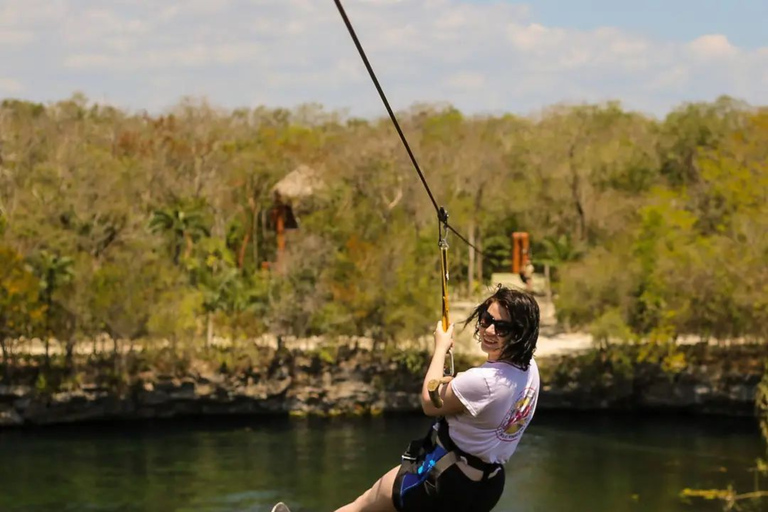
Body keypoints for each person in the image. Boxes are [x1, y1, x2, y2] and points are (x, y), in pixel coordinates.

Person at [334, 286, 541, 512]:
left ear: (519, 334)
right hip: (488, 485)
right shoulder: (529, 368)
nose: (490, 330)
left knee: (363, 505)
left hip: (446, 478)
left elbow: (429, 402)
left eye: (502, 328)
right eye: (486, 319)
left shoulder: (484, 381)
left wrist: (441, 347)